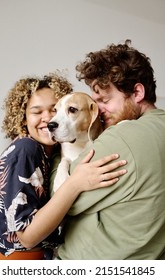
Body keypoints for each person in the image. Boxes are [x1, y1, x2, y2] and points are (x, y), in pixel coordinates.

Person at [0, 72, 127, 260]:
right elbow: (26, 237)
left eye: (55, 110)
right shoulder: (25, 149)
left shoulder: (52, 152)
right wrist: (76, 182)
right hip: (17, 257)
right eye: (37, 112)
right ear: (23, 118)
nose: (49, 119)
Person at [54, 40, 165, 260]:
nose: (99, 110)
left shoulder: (125, 135)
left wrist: (59, 157)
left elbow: (59, 201)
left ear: (137, 92)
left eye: (104, 100)